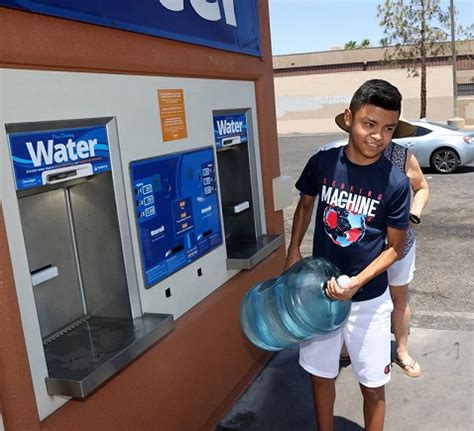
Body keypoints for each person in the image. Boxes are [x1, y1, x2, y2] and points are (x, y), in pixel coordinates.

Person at [285, 79, 414, 431]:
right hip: (319, 296)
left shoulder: (396, 183)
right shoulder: (323, 163)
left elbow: (395, 249)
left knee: (373, 387)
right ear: (349, 118)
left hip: (370, 303)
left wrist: (357, 282)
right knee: (320, 377)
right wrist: (293, 249)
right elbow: (306, 202)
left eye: (388, 128)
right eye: (369, 124)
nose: (377, 136)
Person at [384, 142, 429, 377]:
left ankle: (402, 351)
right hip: (360, 244)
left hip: (399, 242)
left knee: (399, 297)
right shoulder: (347, 154)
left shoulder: (402, 155)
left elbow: (421, 187)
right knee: (354, 295)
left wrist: (414, 214)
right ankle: (345, 346)